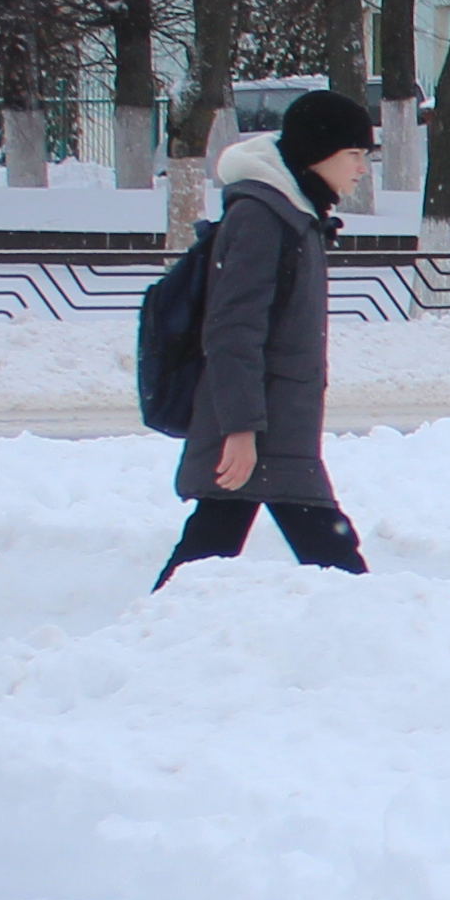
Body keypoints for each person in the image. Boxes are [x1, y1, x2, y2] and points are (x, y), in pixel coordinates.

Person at [156, 88, 378, 583]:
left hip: (275, 421)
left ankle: (152, 635)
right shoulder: (263, 218)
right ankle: (375, 642)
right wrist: (240, 429)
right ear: (318, 153)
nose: (363, 168)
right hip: (263, 423)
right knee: (332, 556)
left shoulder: (295, 216)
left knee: (213, 542)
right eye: (355, 154)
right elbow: (233, 330)